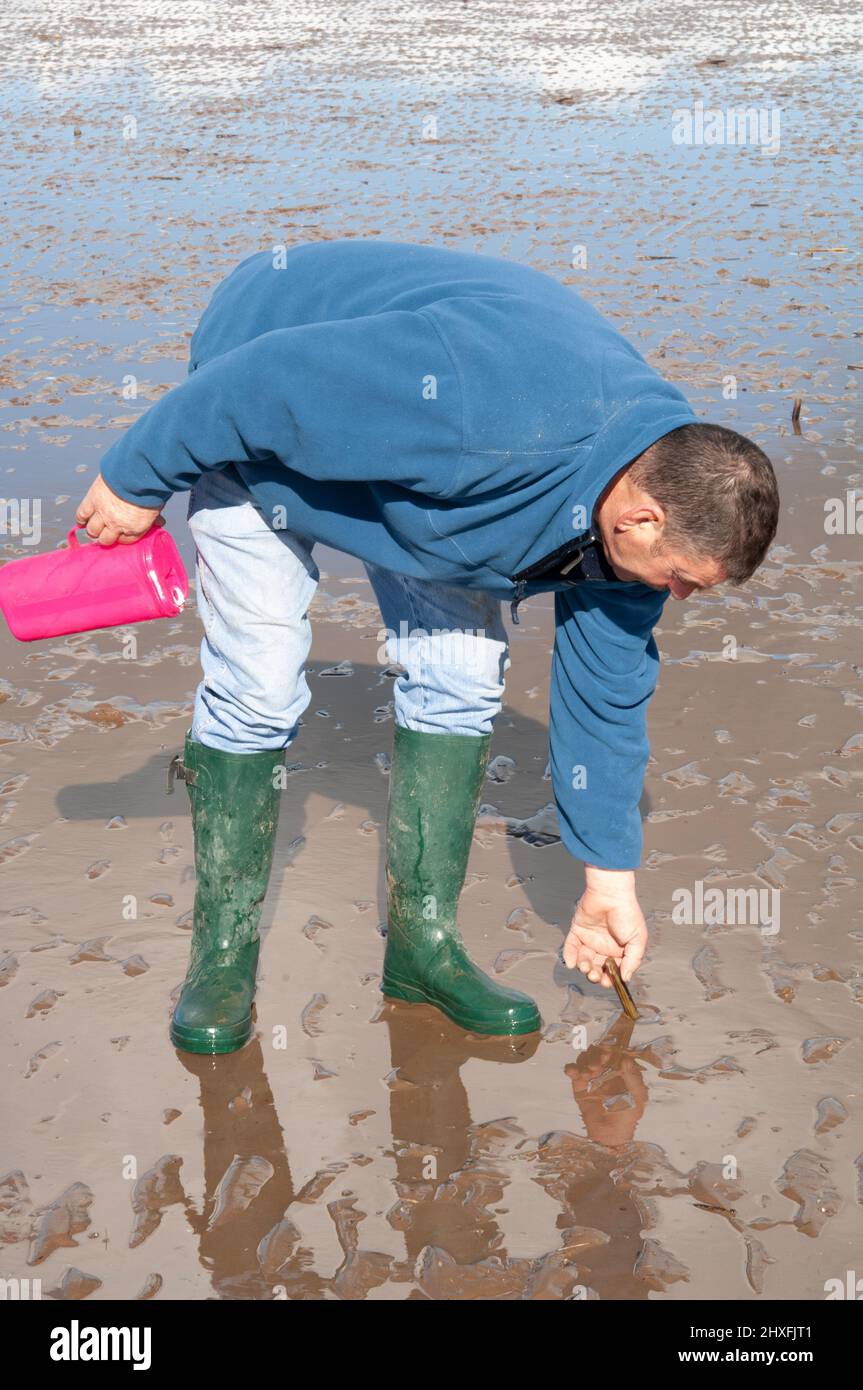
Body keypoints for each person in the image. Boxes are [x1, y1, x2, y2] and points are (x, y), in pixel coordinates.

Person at [75, 239, 779, 1054]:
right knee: (260, 687)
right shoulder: (477, 408)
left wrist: (607, 883)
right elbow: (256, 386)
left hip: (434, 495)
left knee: (461, 677)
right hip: (254, 399)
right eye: (684, 580)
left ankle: (421, 950)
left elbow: (606, 698)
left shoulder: (649, 511)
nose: (678, 598)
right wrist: (134, 479)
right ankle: (222, 962)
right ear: (639, 519)